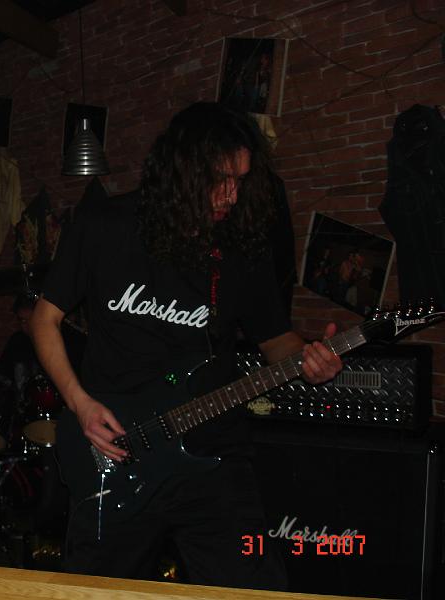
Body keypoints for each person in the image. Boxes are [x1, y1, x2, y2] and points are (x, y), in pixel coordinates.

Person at [29, 102, 342, 590]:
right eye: (220, 180)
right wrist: (80, 403)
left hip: (213, 454)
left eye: (241, 181)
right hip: (117, 450)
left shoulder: (241, 249)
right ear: (181, 171)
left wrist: (310, 358)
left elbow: (276, 340)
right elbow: (44, 320)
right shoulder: (105, 225)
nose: (231, 196)